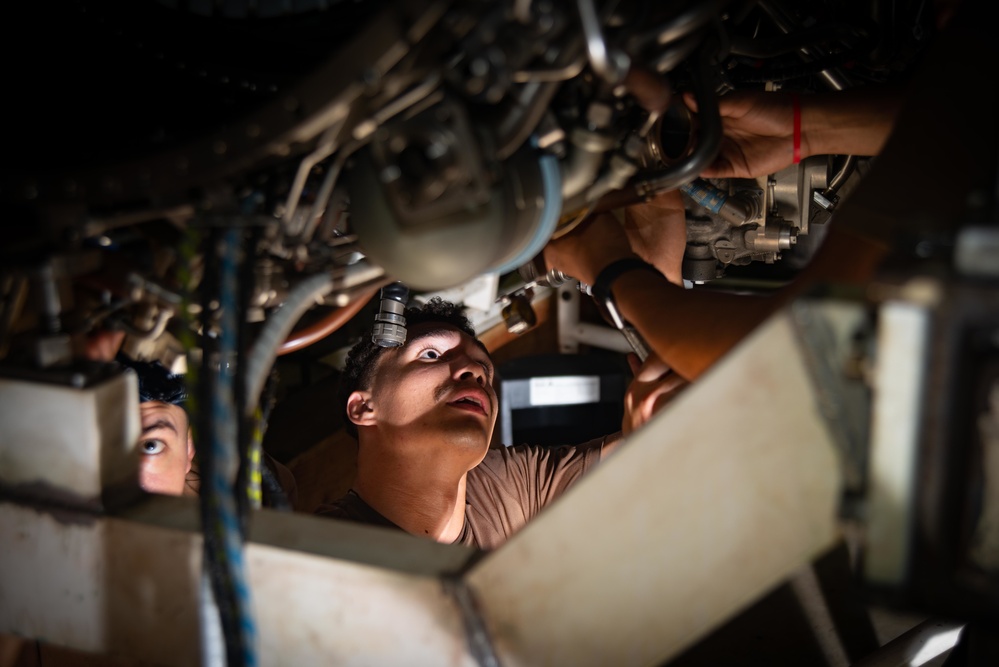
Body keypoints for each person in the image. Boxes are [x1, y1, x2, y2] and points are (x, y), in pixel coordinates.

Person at [316, 297, 685, 549]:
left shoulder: (510, 481)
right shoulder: (322, 555)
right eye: (431, 354)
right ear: (364, 408)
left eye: (485, 370)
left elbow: (658, 443)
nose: (476, 371)